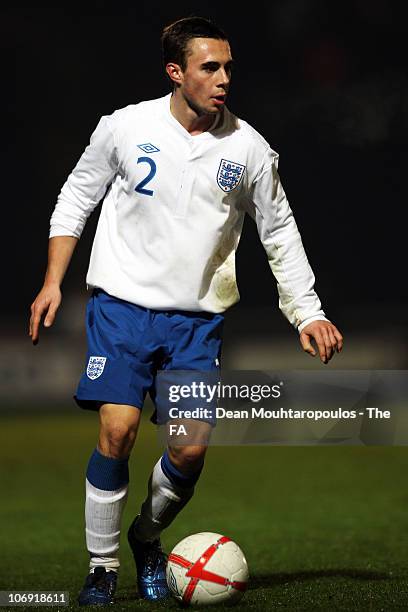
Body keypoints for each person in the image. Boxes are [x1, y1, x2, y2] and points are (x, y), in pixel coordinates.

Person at [29, 16, 343, 606]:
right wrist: (52, 282)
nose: (224, 78)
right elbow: (76, 197)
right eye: (210, 67)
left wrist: (308, 313)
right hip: (121, 307)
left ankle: (146, 537)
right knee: (117, 430)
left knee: (189, 451)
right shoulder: (125, 127)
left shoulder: (249, 149)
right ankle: (101, 567)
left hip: (197, 322)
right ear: (176, 73)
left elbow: (280, 233)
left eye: (228, 66)